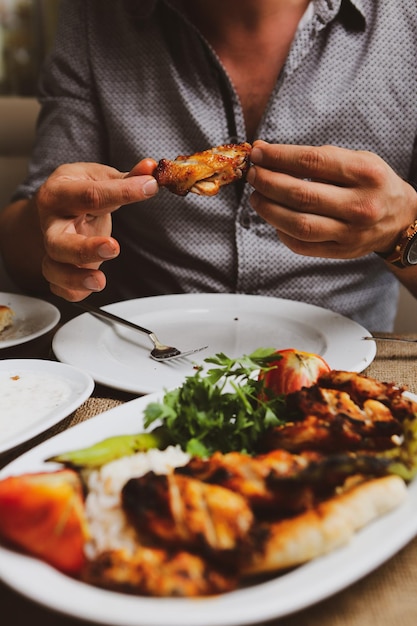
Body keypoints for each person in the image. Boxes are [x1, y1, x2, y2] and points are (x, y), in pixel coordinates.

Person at [1, 0, 417, 331]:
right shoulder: (96, 15)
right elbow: (24, 243)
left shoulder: (406, 22)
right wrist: (57, 235)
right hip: (140, 360)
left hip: (348, 370)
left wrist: (403, 231)